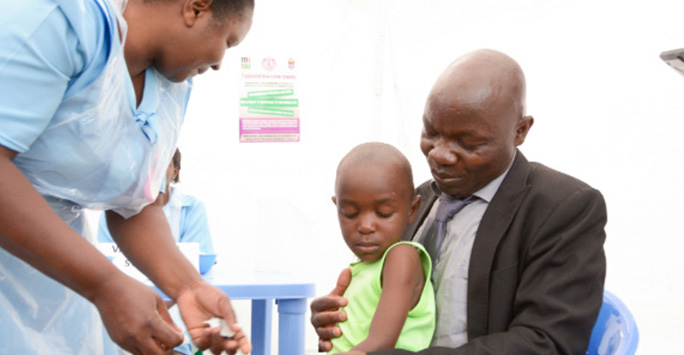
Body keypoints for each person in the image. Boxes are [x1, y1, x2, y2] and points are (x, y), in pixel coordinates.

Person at [311, 49, 607, 355]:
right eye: (431, 132)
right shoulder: (416, 200)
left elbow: (547, 343)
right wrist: (345, 319)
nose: (440, 154)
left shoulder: (562, 208)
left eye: (468, 143)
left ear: (520, 131)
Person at [0, 0, 253, 353]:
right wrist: (104, 284)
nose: (218, 64)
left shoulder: (171, 86)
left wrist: (188, 288)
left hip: (52, 293)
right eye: (228, 42)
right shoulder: (60, 18)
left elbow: (132, 203)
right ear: (195, 8)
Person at [328, 142, 435, 354]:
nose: (366, 226)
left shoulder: (401, 257)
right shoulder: (367, 265)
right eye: (350, 212)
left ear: (412, 210)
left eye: (384, 213)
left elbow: (381, 342)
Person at [98, 148, 216, 257]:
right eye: (146, 163)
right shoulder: (115, 209)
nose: (153, 170)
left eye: (163, 163)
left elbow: (198, 258)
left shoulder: (192, 208)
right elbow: (107, 259)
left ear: (175, 172)